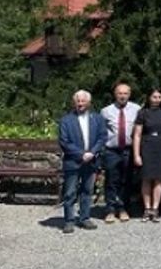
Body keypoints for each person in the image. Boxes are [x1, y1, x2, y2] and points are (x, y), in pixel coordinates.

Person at [58, 90, 107, 233]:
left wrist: (92, 152)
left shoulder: (97, 119)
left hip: (92, 161)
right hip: (73, 162)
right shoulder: (66, 120)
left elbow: (102, 137)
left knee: (87, 190)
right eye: (78, 101)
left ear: (89, 102)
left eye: (83, 101)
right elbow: (64, 141)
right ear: (74, 102)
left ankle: (85, 217)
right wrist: (81, 154)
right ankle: (69, 220)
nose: (80, 104)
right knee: (69, 192)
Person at [100, 81, 140, 222]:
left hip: (129, 150)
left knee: (126, 180)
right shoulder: (106, 111)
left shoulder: (136, 109)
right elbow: (102, 132)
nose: (122, 96)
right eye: (120, 93)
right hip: (112, 150)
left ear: (129, 94)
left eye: (125, 93)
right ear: (115, 94)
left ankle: (123, 208)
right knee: (111, 180)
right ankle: (110, 209)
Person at [132, 88, 161, 222]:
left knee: (159, 179)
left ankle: (155, 208)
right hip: (146, 147)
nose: (157, 100)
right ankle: (147, 209)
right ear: (149, 98)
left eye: (159, 97)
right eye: (154, 97)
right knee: (146, 179)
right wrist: (136, 155)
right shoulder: (142, 113)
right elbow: (137, 135)